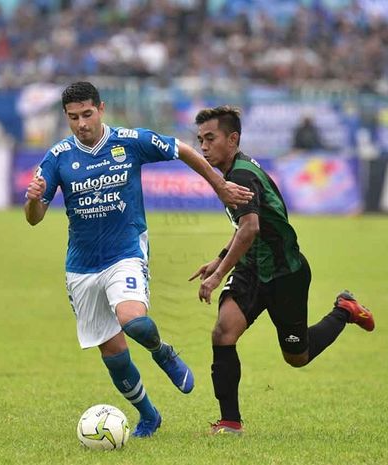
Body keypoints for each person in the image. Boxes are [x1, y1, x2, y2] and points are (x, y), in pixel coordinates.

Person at [24, 82, 253, 438]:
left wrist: (219, 185)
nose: (82, 123)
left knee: (132, 320)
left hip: (125, 252)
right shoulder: (57, 157)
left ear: (101, 109)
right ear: (66, 118)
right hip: (81, 266)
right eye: (73, 117)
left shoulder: (129, 141)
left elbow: (182, 149)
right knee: (113, 353)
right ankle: (149, 415)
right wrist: (34, 199)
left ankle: (163, 352)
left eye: (87, 114)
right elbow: (34, 217)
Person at [189, 106, 375, 435]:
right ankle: (230, 422)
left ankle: (344, 310)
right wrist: (220, 259)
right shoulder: (233, 172)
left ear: (232, 139)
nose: (203, 147)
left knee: (297, 356)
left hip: (284, 273)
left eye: (210, 139)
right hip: (251, 269)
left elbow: (250, 229)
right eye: (200, 140)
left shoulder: (242, 176)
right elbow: (246, 226)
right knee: (223, 332)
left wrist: (218, 276)